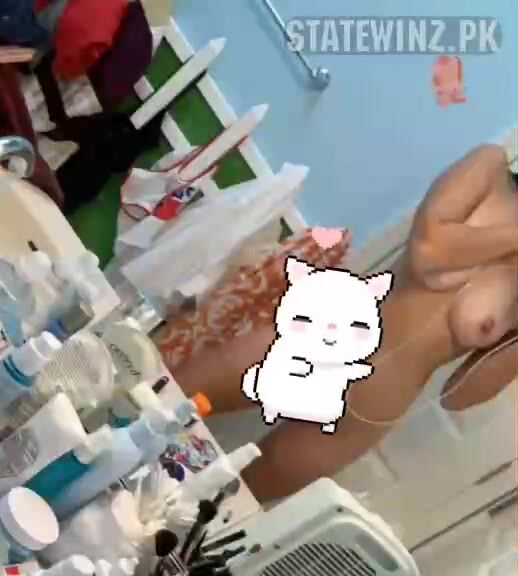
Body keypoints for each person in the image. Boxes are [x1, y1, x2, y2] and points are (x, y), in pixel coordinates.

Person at [174, 144, 518, 503]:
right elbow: (428, 251)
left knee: (222, 506)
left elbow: (461, 395)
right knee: (163, 403)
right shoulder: (490, 169)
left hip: (369, 407)